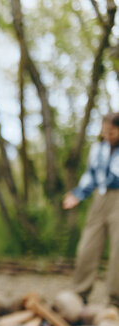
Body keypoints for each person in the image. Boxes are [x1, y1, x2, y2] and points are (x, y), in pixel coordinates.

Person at [63, 112, 119, 307]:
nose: (107, 135)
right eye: (105, 130)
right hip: (99, 197)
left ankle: (115, 299)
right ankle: (80, 292)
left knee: (118, 249)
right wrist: (77, 194)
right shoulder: (97, 149)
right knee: (88, 244)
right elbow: (91, 175)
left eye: (112, 131)